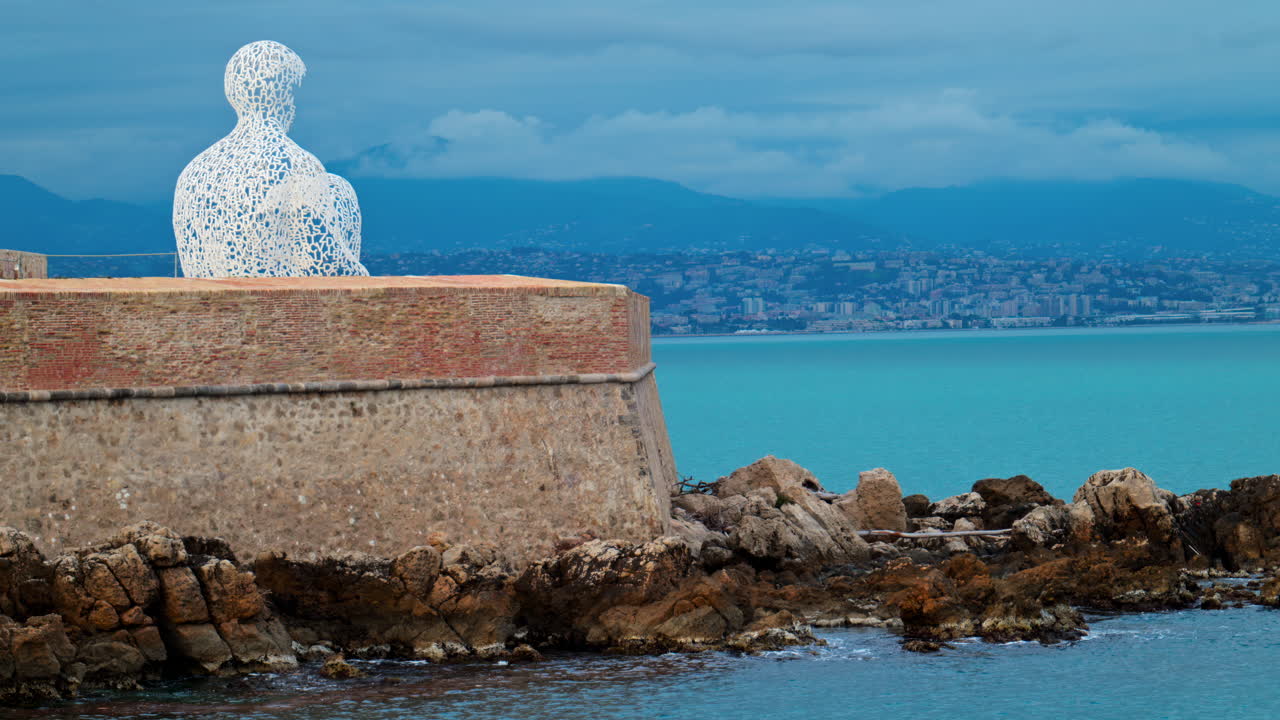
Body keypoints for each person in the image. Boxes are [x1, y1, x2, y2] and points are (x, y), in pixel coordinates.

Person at [174, 40, 369, 278]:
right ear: (290, 96)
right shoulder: (295, 162)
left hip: (212, 305)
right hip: (277, 304)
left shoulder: (194, 172)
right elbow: (325, 265)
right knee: (339, 190)